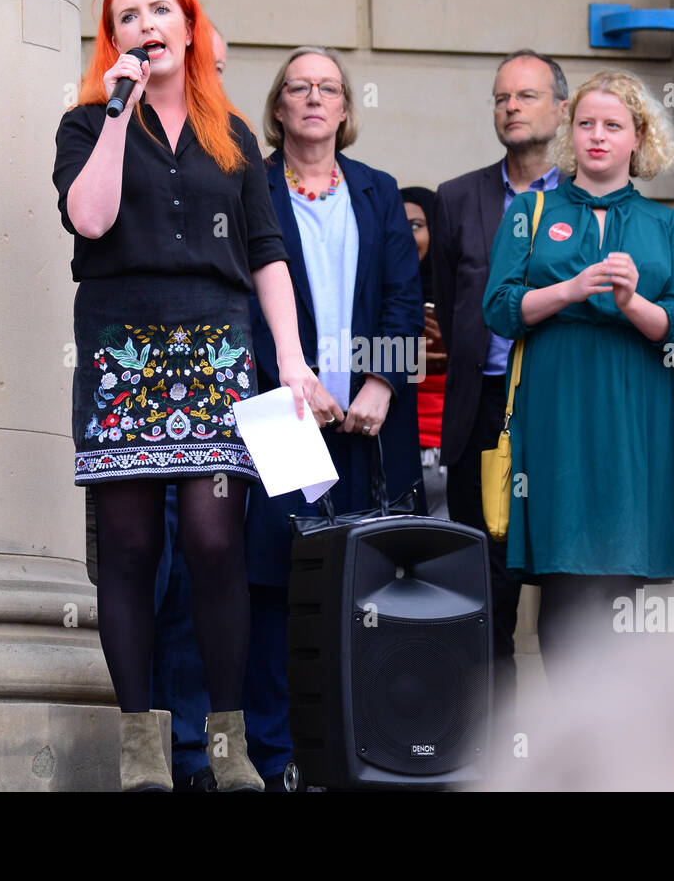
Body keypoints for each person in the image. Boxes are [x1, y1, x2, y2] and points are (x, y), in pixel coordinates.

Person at [52, 0, 319, 792]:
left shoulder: (233, 132)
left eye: (159, 9)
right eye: (126, 16)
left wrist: (292, 357)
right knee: (130, 549)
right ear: (114, 40)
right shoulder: (84, 120)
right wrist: (114, 112)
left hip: (217, 347)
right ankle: (143, 752)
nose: (145, 23)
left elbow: (267, 252)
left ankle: (229, 743)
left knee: (213, 543)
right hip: (120, 347)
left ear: (190, 25)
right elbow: (90, 217)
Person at [243, 46, 425, 786]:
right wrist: (293, 383)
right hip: (281, 415)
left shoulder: (378, 191)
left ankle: (360, 751)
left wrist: (382, 381)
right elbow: (241, 294)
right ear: (279, 108)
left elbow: (404, 296)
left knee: (366, 583)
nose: (314, 97)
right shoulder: (250, 187)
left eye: (328, 88)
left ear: (346, 109)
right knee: (276, 581)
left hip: (365, 426)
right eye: (299, 88)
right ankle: (277, 754)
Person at [482, 69, 674, 681]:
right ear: (569, 134)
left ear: (639, 138)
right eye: (586, 124)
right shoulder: (529, 210)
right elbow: (499, 308)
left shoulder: (667, 225)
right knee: (564, 576)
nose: (597, 136)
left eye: (613, 126)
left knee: (622, 586)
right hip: (556, 408)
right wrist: (569, 289)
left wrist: (632, 302)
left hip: (634, 411)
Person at [432, 49, 568, 711]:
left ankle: (584, 749)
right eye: (500, 98)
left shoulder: (589, 195)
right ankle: (497, 754)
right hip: (483, 415)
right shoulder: (458, 198)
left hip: (568, 412)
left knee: (571, 583)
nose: (510, 107)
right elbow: (446, 304)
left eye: (525, 95)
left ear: (560, 108)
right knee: (486, 592)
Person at [401, 185, 449, 518]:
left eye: (416, 226)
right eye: (397, 225)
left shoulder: (461, 293)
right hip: (396, 445)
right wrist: (407, 355)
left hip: (450, 451)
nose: (406, 236)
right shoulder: (375, 296)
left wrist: (455, 345)